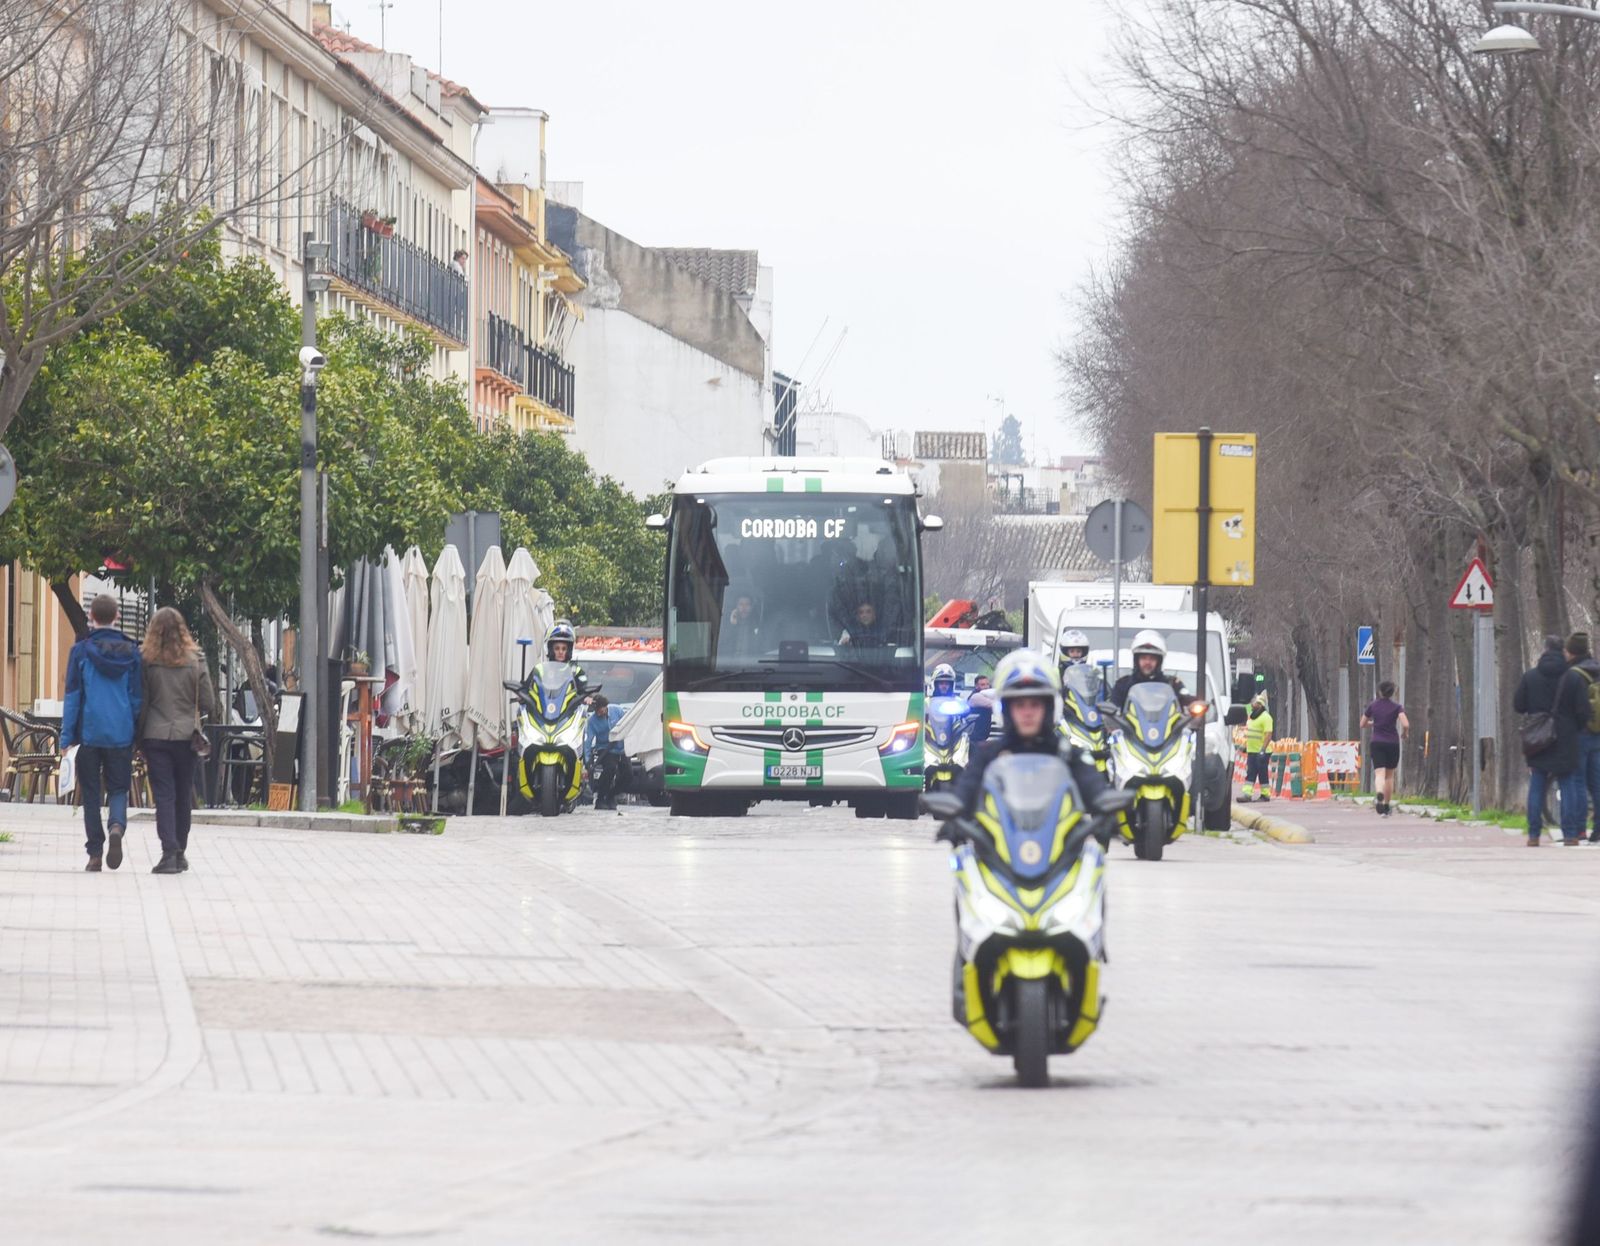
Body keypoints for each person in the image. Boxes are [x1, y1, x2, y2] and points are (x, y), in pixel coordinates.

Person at [952, 650, 1107, 816]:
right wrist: (954, 816)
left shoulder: (1069, 755)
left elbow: (1096, 790)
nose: (1027, 712)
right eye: (1019, 705)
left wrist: (1107, 809)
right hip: (999, 840)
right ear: (1006, 710)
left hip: (1059, 840)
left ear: (1049, 708)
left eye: (1035, 704)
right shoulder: (987, 756)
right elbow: (963, 795)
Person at [61, 595, 143, 872]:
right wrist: (134, 731)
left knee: (91, 794)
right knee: (119, 788)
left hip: (89, 733)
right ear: (117, 616)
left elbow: (72, 696)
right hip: (120, 732)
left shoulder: (81, 651)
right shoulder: (132, 652)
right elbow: (136, 697)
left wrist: (65, 738)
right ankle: (117, 826)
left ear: (91, 617)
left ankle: (95, 853)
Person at [139, 608, 215, 875]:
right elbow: (208, 702)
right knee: (184, 795)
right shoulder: (197, 660)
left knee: (164, 796)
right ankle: (180, 851)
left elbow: (142, 700)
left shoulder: (146, 660)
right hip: (186, 737)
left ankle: (168, 852)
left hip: (155, 735)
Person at [1514, 635, 1588, 847]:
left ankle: (1534, 834)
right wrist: (1574, 727)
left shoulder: (1530, 677)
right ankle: (1571, 834)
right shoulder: (1573, 678)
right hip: (1566, 738)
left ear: (1544, 650)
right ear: (1563, 651)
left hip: (1539, 739)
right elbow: (1583, 711)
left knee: (1537, 783)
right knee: (1567, 784)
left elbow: (1518, 705)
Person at [1109, 630, 1193, 710]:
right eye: (1143, 658)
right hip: (1130, 725)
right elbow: (1113, 708)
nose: (1147, 662)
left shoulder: (1173, 684)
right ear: (1136, 660)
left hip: (1168, 725)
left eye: (1152, 658)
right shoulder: (1122, 685)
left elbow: (1187, 701)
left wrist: (1194, 703)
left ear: (1159, 661)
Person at [1569, 632, 1600, 844]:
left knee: (1578, 782)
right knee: (1597, 783)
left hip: (1579, 734)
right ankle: (1598, 829)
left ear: (1571, 651)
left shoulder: (1573, 674)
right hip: (1598, 734)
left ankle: (1580, 829)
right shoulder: (1598, 669)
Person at [1359, 681, 1409, 816]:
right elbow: (1405, 723)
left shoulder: (1373, 706)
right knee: (1389, 776)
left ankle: (1379, 794)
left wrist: (1374, 723)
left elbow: (1362, 724)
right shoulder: (1397, 707)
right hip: (1392, 743)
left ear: (1380, 692)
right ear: (1392, 693)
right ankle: (1386, 806)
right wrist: (1405, 733)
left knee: (1379, 773)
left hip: (1377, 743)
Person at [584, 694, 626, 811]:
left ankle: (611, 795)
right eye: (596, 711)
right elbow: (588, 742)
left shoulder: (617, 710)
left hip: (622, 748)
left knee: (628, 775)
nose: (598, 713)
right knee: (610, 768)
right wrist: (587, 763)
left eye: (600, 710)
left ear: (606, 706)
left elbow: (628, 725)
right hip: (606, 749)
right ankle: (601, 798)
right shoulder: (592, 721)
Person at [1239, 693, 1275, 804]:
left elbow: (1268, 735)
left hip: (1262, 751)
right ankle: (1247, 794)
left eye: (1255, 703)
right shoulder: (1252, 717)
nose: (1252, 705)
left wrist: (1263, 749)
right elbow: (1250, 734)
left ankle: (1265, 795)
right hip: (1252, 750)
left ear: (1260, 705)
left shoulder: (1266, 717)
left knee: (1262, 773)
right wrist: (1245, 746)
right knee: (1251, 772)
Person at [724, 593, 761, 658]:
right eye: (741, 604)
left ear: (752, 607)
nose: (744, 608)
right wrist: (732, 625)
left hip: (751, 664)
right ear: (736, 607)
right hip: (729, 664)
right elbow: (723, 645)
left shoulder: (758, 625)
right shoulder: (725, 625)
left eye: (747, 604)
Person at [967, 674, 995, 743]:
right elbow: (995, 705)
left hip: (981, 736)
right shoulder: (976, 697)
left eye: (987, 684)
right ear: (976, 686)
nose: (986, 687)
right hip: (975, 738)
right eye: (983, 685)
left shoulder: (986, 695)